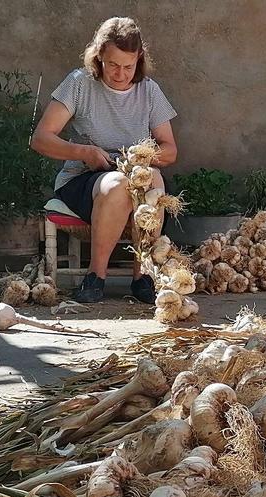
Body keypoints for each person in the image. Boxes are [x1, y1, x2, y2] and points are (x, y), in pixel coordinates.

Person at [31, 17, 178, 304]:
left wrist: (143, 157)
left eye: (128, 66)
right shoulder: (79, 83)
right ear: (99, 58)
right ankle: (95, 276)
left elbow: (170, 150)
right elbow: (41, 138)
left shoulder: (149, 90)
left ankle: (144, 276)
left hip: (135, 174)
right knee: (117, 185)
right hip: (84, 179)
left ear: (139, 60)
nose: (121, 74)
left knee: (155, 182)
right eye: (113, 65)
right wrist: (83, 152)